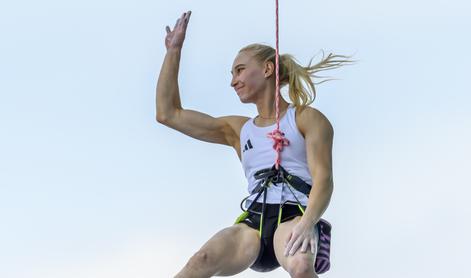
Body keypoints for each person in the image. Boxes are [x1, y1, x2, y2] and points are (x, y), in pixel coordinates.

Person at [156, 11, 352, 278]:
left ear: (268, 69)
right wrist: (173, 51)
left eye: (240, 70)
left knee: (301, 266)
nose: (233, 81)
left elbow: (324, 180)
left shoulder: (307, 118)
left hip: (295, 218)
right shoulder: (238, 130)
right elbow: (168, 113)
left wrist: (308, 224)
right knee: (201, 259)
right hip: (254, 222)